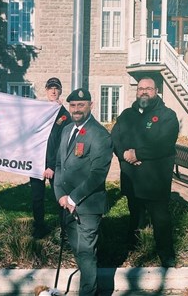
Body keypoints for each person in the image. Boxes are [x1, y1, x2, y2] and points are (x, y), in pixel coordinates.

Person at [110, 76, 179, 268]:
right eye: (140, 88)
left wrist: (138, 154)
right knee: (135, 214)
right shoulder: (126, 115)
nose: (144, 92)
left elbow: (164, 144)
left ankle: (166, 254)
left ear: (156, 91)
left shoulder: (167, 115)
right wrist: (125, 154)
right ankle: (133, 246)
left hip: (155, 180)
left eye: (148, 88)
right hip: (132, 177)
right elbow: (115, 137)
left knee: (161, 219)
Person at [54, 88, 113, 296]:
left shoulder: (100, 135)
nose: (76, 109)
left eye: (81, 105)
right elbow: (59, 165)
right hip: (66, 205)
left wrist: (72, 198)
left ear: (91, 105)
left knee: (87, 253)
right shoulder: (67, 129)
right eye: (73, 105)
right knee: (79, 252)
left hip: (87, 206)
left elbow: (98, 175)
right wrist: (60, 196)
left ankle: (87, 293)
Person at [30, 77, 71, 239]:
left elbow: (63, 144)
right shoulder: (39, 111)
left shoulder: (64, 115)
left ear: (60, 91)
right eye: (50, 88)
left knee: (59, 197)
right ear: (46, 91)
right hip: (36, 163)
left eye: (56, 88)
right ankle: (39, 227)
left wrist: (52, 166)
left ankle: (65, 229)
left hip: (54, 165)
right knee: (37, 198)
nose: (53, 91)